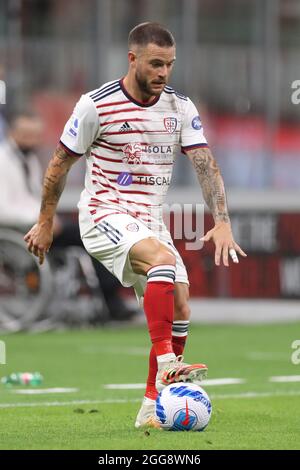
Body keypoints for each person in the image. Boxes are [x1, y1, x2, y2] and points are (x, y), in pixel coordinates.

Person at [24, 22, 247, 428]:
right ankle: (166, 365)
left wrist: (223, 222)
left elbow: (205, 166)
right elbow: (58, 164)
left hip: (150, 219)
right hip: (103, 212)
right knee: (162, 262)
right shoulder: (96, 105)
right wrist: (45, 221)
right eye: (156, 63)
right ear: (133, 59)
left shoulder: (180, 107)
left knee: (180, 303)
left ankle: (150, 407)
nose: (163, 73)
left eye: (170, 65)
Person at [0, 112, 137, 321]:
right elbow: (4, 209)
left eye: (35, 135)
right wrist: (42, 222)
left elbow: (33, 198)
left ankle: (110, 299)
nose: (31, 140)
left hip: (36, 226)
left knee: (96, 231)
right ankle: (112, 301)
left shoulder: (29, 160)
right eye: (26, 134)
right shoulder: (3, 161)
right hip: (19, 234)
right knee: (89, 234)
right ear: (12, 133)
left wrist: (47, 219)